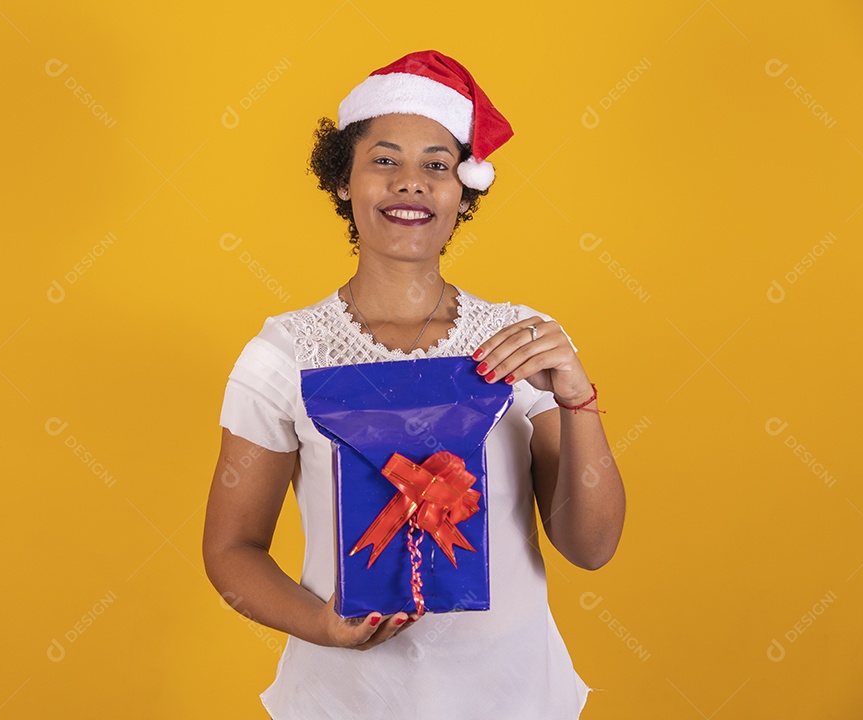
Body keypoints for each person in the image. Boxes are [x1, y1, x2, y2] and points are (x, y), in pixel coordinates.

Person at [203, 50, 626, 719]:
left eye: (437, 164)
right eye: (384, 160)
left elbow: (591, 546)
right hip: (344, 700)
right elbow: (231, 550)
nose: (411, 183)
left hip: (514, 697)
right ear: (344, 180)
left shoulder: (523, 340)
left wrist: (579, 400)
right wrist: (322, 626)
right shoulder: (283, 353)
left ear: (464, 190)